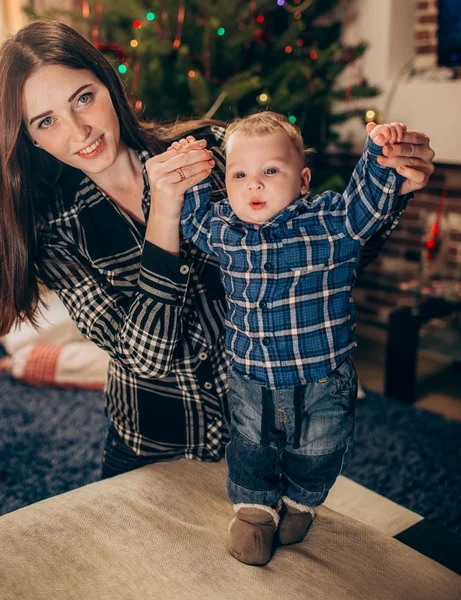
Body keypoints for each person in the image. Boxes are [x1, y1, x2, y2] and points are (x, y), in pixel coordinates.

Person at [0, 21, 434, 491]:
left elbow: (318, 261)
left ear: (108, 83)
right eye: (46, 121)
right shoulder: (55, 230)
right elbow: (145, 359)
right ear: (31, 138)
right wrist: (164, 215)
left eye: (83, 97)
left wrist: (392, 192)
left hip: (260, 433)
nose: (78, 129)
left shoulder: (213, 154)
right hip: (151, 444)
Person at [178, 112, 420, 566]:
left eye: (270, 171)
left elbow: (366, 204)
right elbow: (190, 221)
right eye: (240, 175)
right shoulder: (225, 231)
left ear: (302, 179)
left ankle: (301, 501)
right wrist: (191, 169)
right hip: (252, 377)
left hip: (323, 379)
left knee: (321, 448)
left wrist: (379, 152)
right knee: (251, 446)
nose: (254, 186)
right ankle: (254, 512)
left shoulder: (331, 222)